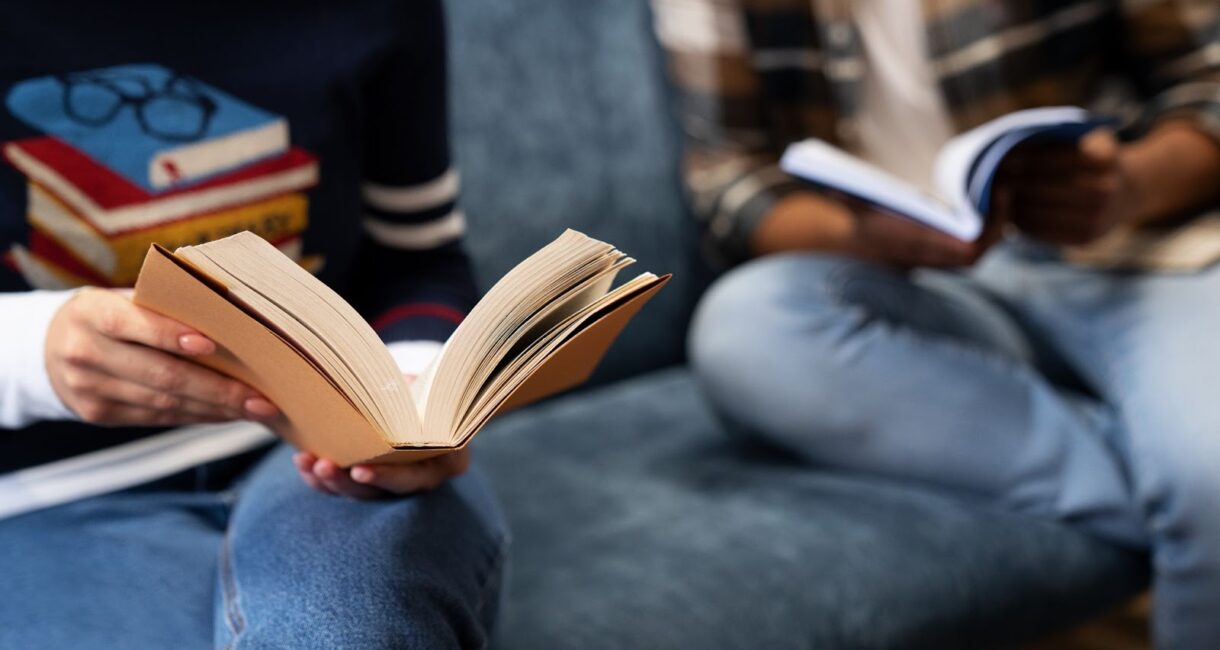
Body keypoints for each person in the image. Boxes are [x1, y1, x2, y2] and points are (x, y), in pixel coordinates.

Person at [653, 0, 1220, 647]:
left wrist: (1129, 185)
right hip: (903, 284)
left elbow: (1209, 77)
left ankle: (1194, 485)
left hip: (1134, 254)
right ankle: (1184, 490)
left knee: (1212, 471)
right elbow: (727, 176)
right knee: (746, 328)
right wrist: (860, 236)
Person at [0, 1, 508, 647]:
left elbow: (419, 257)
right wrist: (33, 355)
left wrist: (407, 400)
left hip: (316, 457)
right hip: (43, 500)